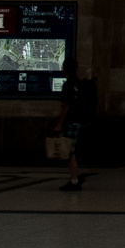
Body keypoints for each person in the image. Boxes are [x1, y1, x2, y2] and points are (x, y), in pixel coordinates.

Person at [51, 58, 95, 191]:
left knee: (70, 152)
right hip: (79, 121)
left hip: (70, 122)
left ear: (65, 69)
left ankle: (74, 180)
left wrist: (59, 123)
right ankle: (75, 176)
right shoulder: (79, 84)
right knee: (71, 152)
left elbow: (66, 106)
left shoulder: (68, 85)